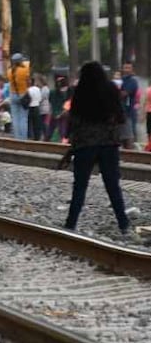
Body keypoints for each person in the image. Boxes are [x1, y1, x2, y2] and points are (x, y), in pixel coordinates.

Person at [63, 61, 131, 234]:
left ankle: (71, 224)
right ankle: (123, 224)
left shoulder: (80, 91)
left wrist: (71, 144)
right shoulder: (111, 89)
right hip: (108, 144)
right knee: (113, 186)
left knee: (79, 186)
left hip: (85, 145)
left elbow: (74, 121)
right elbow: (121, 117)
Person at [8, 53, 32, 139]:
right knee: (23, 118)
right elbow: (29, 82)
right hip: (23, 94)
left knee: (15, 118)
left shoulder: (9, 71)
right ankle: (23, 138)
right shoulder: (24, 70)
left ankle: (17, 137)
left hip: (13, 94)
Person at [120, 62, 139, 144]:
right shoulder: (121, 80)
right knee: (121, 137)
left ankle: (133, 154)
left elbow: (124, 93)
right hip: (120, 112)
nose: (126, 70)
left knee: (129, 136)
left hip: (129, 113)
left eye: (128, 68)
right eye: (125, 68)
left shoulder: (133, 81)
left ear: (132, 69)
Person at [26, 76, 43, 141]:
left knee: (29, 123)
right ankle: (37, 137)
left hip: (30, 107)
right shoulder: (38, 89)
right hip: (37, 106)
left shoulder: (28, 89)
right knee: (36, 123)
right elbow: (40, 98)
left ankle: (30, 136)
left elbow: (27, 99)